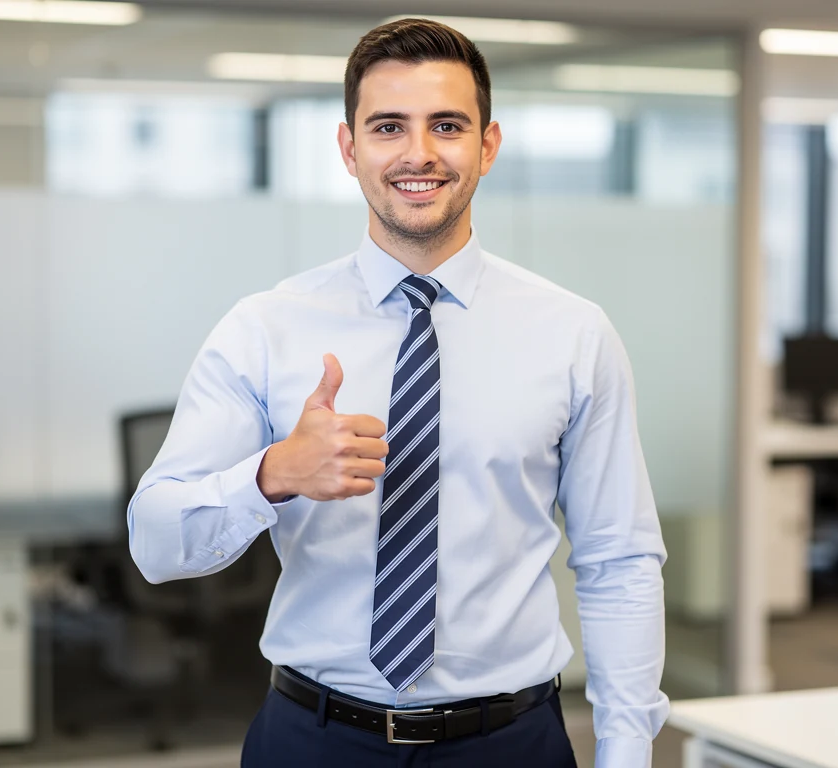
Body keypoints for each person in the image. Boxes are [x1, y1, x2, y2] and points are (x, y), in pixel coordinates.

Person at [128, 17, 668, 768]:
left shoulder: (573, 333)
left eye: (447, 125)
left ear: (488, 146)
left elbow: (619, 559)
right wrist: (273, 474)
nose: (419, 153)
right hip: (313, 740)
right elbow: (156, 545)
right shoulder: (266, 329)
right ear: (350, 149)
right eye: (388, 127)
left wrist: (626, 750)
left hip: (510, 743)